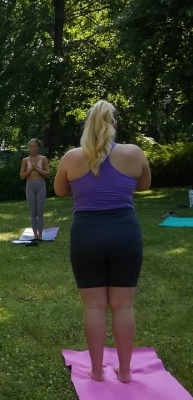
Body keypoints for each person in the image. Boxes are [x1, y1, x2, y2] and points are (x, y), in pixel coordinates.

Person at [54, 100, 151, 383]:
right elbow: (144, 185)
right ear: (115, 126)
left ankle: (96, 371)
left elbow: (60, 190)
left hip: (86, 235)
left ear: (88, 127)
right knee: (123, 305)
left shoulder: (72, 157)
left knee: (94, 306)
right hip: (125, 234)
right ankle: (125, 371)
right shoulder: (134, 153)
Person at [20, 138, 50, 240]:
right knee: (33, 212)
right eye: (31, 147)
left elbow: (48, 174)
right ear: (29, 148)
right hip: (30, 186)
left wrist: (36, 168)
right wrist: (31, 169)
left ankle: (40, 235)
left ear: (38, 147)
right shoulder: (25, 160)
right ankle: (35, 235)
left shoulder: (43, 159)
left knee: (40, 212)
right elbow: (22, 176)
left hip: (40, 185)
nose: (33, 149)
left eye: (35, 146)